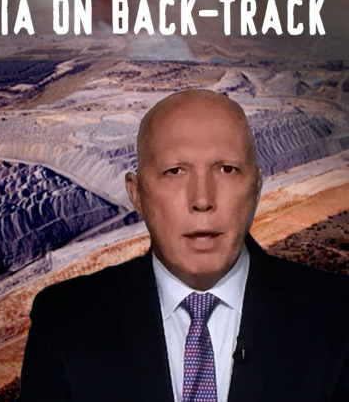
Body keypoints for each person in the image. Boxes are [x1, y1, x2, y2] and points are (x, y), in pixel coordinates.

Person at [17, 89, 349, 402]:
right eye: (175, 171)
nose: (202, 199)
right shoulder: (65, 322)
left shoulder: (337, 316)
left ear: (257, 186)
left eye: (226, 169)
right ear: (136, 194)